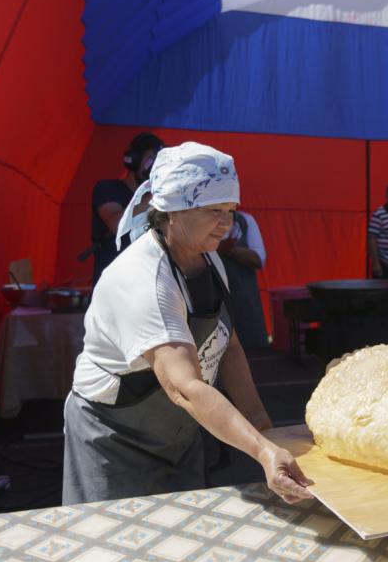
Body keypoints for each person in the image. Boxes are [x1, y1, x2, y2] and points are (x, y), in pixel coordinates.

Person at [64, 142, 312, 505]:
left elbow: (229, 348)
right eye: (214, 210)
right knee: (111, 544)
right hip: (114, 437)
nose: (227, 224)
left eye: (231, 209)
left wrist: (265, 430)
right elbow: (184, 388)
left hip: (178, 431)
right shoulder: (144, 278)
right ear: (171, 210)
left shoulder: (209, 259)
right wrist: (262, 451)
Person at [90, 132, 164, 283]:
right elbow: (118, 226)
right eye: (151, 159)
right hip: (112, 283)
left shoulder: (160, 199)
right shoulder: (108, 188)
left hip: (145, 281)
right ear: (135, 161)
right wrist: (153, 194)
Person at [219, 210, 271, 351]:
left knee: (252, 350)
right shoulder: (200, 219)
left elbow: (259, 259)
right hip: (215, 300)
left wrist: (230, 250)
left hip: (244, 298)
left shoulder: (245, 220)